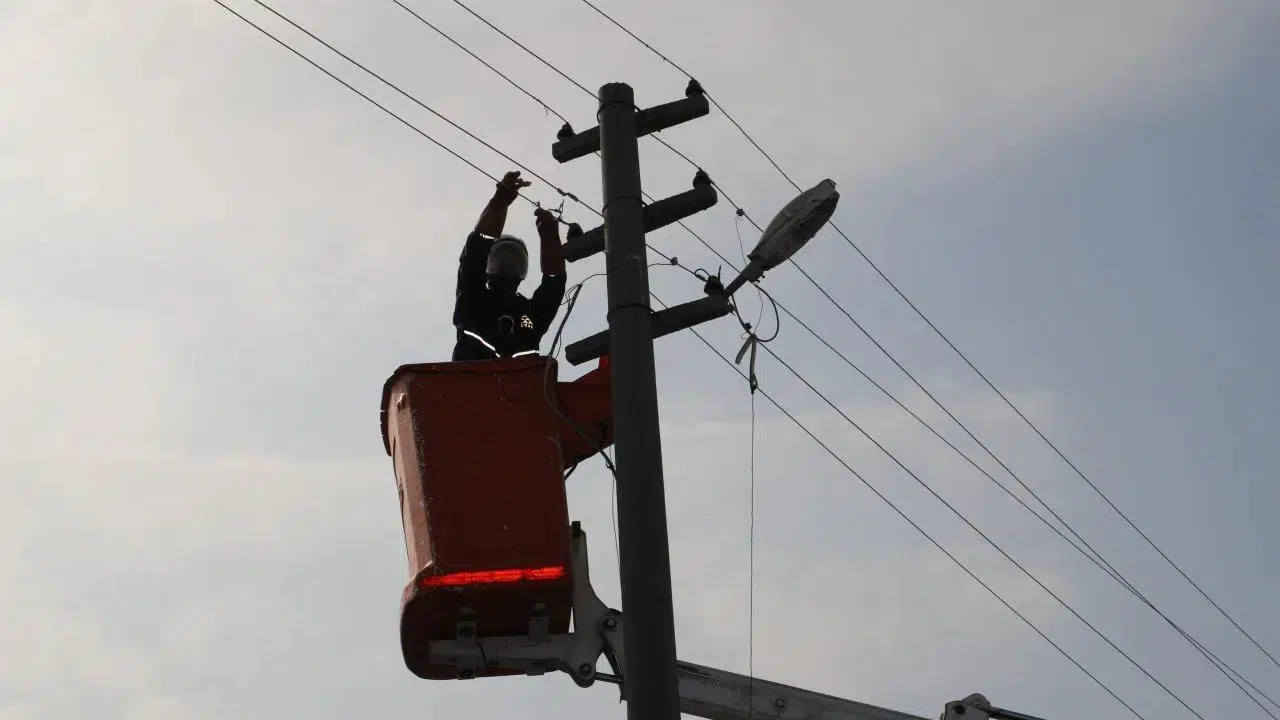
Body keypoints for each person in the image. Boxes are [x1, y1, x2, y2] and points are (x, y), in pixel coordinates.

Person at [451, 171, 568, 361]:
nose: (508, 266)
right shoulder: (474, 299)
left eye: (515, 261)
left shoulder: (529, 313)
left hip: (519, 388)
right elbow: (476, 248)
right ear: (489, 265)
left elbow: (554, 283)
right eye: (500, 259)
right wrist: (501, 199)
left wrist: (550, 237)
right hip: (472, 386)